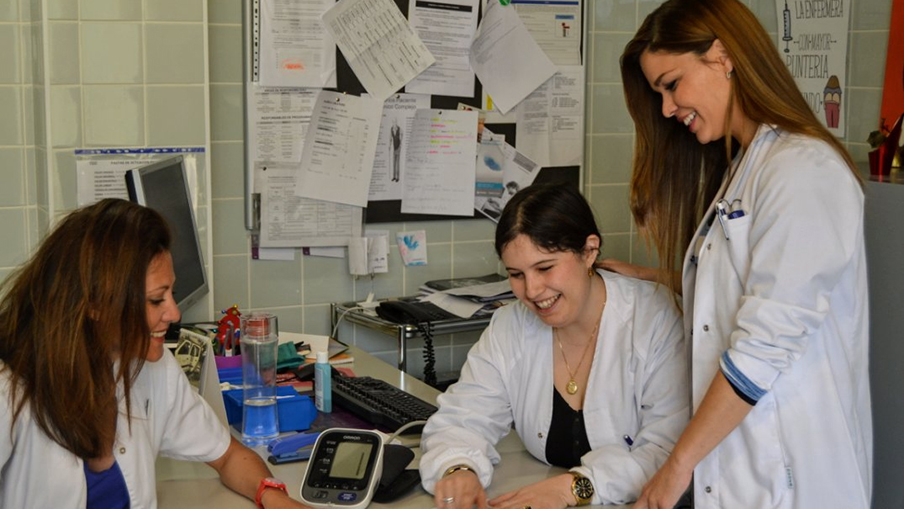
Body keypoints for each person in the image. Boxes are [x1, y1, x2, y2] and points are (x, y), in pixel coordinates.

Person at [610, 0, 871, 507]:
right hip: (742, 463)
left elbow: (765, 343)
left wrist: (676, 467)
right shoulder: (747, 165)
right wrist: (655, 275)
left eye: (670, 84)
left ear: (722, 55)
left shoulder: (803, 170)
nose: (666, 108)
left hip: (792, 469)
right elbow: (747, 288)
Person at [0, 199, 309, 508]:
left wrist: (272, 495)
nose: (174, 313)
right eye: (155, 300)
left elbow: (228, 456)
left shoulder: (152, 366)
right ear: (94, 304)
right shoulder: (10, 389)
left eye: (171, 294)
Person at [419, 185, 688, 508]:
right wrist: (459, 466)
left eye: (545, 268)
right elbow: (464, 417)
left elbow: (667, 451)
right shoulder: (511, 325)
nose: (532, 291)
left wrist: (573, 488)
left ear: (589, 251)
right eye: (516, 274)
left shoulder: (656, 318)